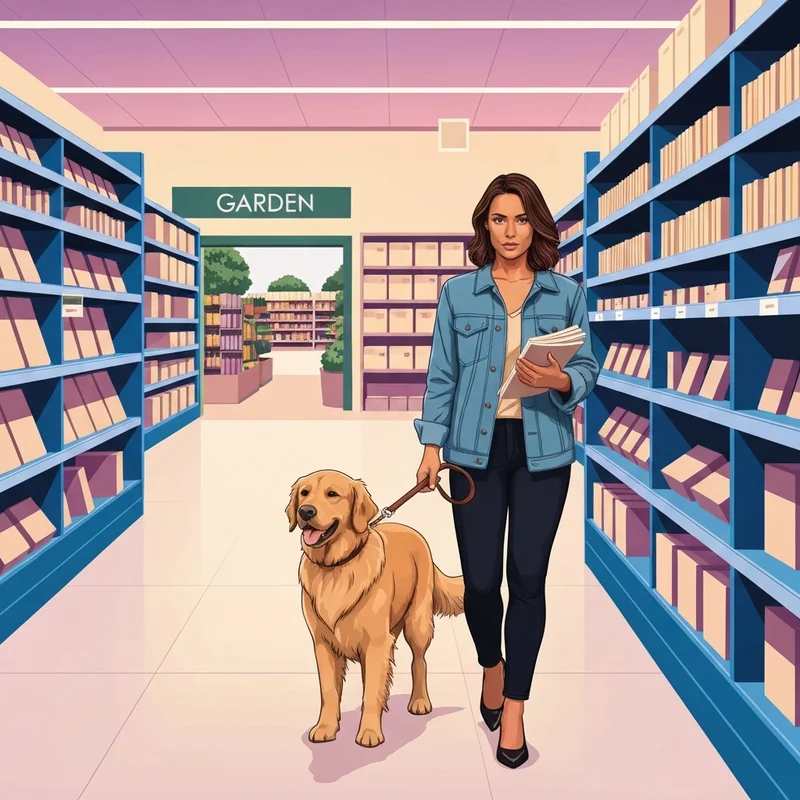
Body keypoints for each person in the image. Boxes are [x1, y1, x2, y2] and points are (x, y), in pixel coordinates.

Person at [413, 173, 599, 769]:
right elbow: (442, 375)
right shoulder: (458, 293)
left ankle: (514, 706)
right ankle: (491, 664)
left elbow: (589, 366)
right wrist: (430, 447)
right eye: (499, 219)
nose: (510, 231)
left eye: (521, 219)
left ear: (536, 225)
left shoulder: (564, 293)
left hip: (543, 451)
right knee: (481, 583)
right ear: (484, 225)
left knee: (528, 580)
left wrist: (563, 380)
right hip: (475, 450)